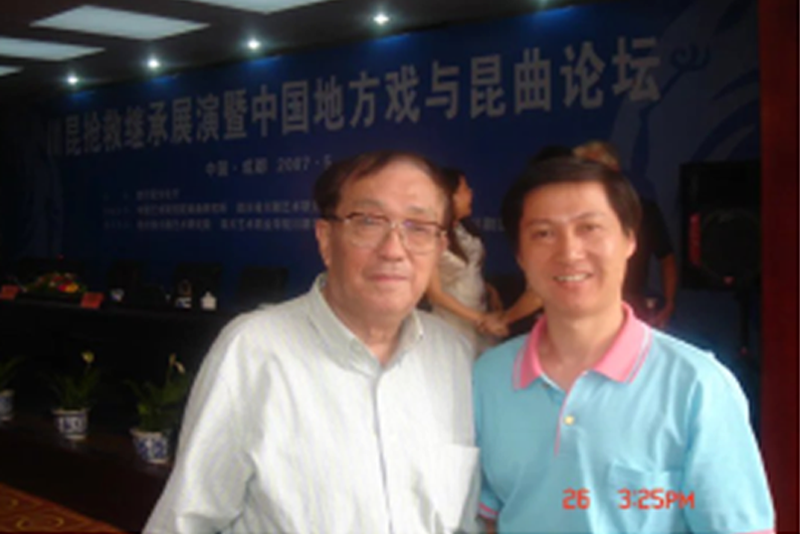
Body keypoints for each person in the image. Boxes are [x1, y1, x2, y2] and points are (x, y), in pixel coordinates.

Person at [144, 150, 479, 534]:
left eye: (418, 227)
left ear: (439, 247)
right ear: (326, 239)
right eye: (369, 222)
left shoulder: (453, 356)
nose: (393, 249)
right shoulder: (253, 350)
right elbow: (185, 523)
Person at [473, 156, 774, 533]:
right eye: (544, 233)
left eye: (589, 228)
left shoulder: (698, 384)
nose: (569, 252)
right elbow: (490, 517)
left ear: (630, 240)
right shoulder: (488, 377)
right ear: (520, 255)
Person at [574, 140, 677, 328]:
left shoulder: (642, 210)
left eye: (592, 169)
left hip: (632, 305)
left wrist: (669, 302)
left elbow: (666, 258)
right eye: (580, 170)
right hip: (583, 305)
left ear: (614, 170)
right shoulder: (572, 213)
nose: (585, 176)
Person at [425, 167, 509, 353]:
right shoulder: (431, 235)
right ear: (449, 196)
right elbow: (435, 294)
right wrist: (479, 318)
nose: (471, 193)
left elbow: (471, 270)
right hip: (452, 322)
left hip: (478, 315)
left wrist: (488, 289)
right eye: (464, 189)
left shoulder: (463, 229)